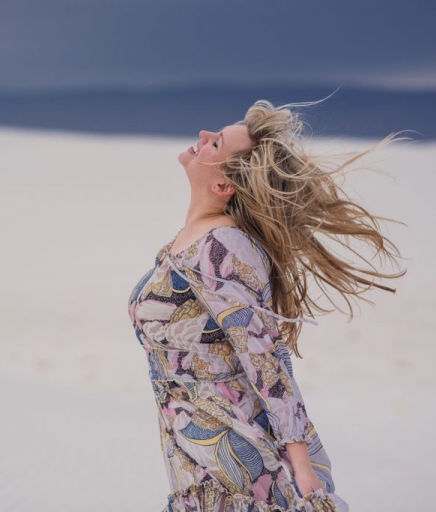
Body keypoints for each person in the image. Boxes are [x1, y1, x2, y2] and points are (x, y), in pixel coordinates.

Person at [127, 99, 408, 511]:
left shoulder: (223, 247)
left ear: (225, 186)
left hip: (235, 454)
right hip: (193, 449)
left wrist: (302, 467)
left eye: (216, 143)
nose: (203, 136)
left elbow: (264, 357)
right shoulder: (184, 244)